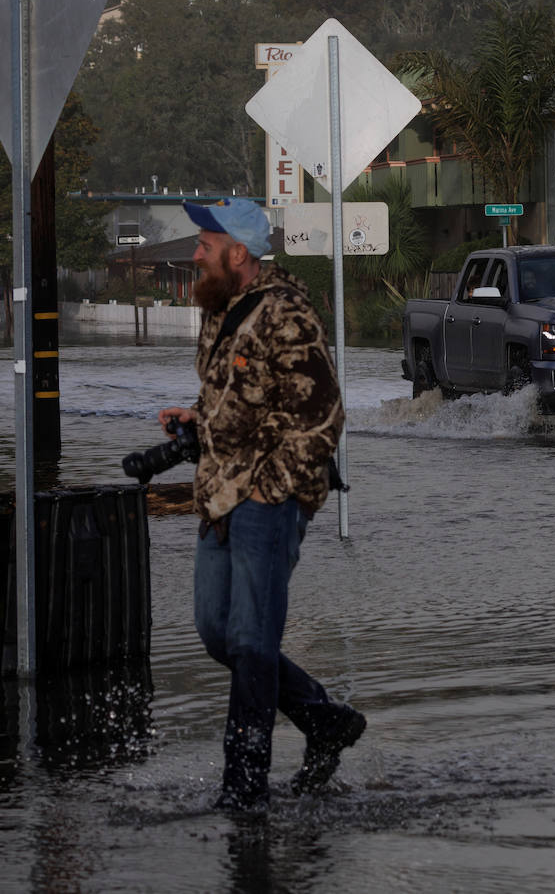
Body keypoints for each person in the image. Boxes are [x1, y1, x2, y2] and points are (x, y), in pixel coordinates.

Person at [157, 197, 365, 812]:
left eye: (204, 243)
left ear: (237, 252)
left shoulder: (287, 313)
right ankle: (324, 718)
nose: (195, 252)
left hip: (265, 501)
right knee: (218, 632)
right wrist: (196, 420)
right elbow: (243, 399)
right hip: (218, 496)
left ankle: (243, 786)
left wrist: (270, 491)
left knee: (251, 639)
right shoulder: (222, 311)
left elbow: (322, 414)